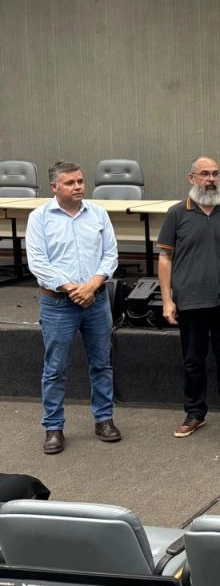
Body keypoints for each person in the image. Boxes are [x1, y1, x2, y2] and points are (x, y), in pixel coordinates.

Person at [25, 161, 121, 455]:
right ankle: (53, 427)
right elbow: (38, 263)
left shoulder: (98, 214)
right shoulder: (39, 218)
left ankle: (104, 420)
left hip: (97, 300)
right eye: (70, 182)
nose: (78, 186)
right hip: (57, 304)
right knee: (55, 369)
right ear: (54, 187)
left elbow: (110, 254)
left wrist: (92, 286)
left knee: (102, 364)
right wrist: (72, 288)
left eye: (80, 181)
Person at [158, 156, 220, 438]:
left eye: (215, 174)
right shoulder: (177, 213)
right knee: (193, 361)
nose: (211, 179)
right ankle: (194, 413)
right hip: (190, 300)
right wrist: (167, 300)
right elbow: (165, 258)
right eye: (205, 174)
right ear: (192, 178)